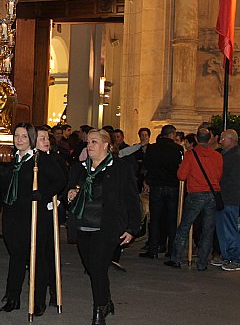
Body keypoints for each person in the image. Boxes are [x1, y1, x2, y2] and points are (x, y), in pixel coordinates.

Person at [66, 129, 140, 325]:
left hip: (106, 227)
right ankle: (106, 300)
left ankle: (99, 310)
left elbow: (132, 199)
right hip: (83, 225)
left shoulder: (120, 168)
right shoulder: (80, 168)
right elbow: (69, 190)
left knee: (98, 267)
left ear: (107, 145)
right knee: (91, 268)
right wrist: (71, 194)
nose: (89, 146)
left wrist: (132, 228)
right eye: (88, 142)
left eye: (94, 142)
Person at [0, 123, 66, 314]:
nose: (19, 140)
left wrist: (43, 194)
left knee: (37, 258)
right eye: (16, 136)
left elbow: (60, 180)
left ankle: (38, 301)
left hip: (35, 216)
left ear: (30, 139)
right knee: (16, 258)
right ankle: (12, 297)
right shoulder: (12, 161)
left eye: (23, 136)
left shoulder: (40, 160)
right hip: (13, 216)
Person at [165, 129, 223, 271]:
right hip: (212, 194)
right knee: (208, 230)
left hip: (195, 194)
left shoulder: (190, 155)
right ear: (210, 140)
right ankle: (202, 263)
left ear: (197, 139)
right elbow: (219, 175)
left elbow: (181, 175)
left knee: (185, 226)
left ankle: (176, 258)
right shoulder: (217, 156)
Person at [139, 124, 183, 259]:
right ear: (171, 134)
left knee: (155, 219)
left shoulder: (152, 148)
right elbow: (180, 167)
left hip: (157, 186)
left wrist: (148, 180)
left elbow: (146, 166)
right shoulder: (178, 149)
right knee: (171, 219)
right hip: (172, 186)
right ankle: (171, 250)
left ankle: (153, 249)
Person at [215, 129, 240, 271]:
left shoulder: (235, 157)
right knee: (224, 230)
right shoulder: (227, 155)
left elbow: (234, 181)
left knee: (230, 229)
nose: (220, 141)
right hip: (225, 199)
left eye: (223, 139)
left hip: (231, 199)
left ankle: (235, 258)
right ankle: (227, 257)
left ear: (232, 140)